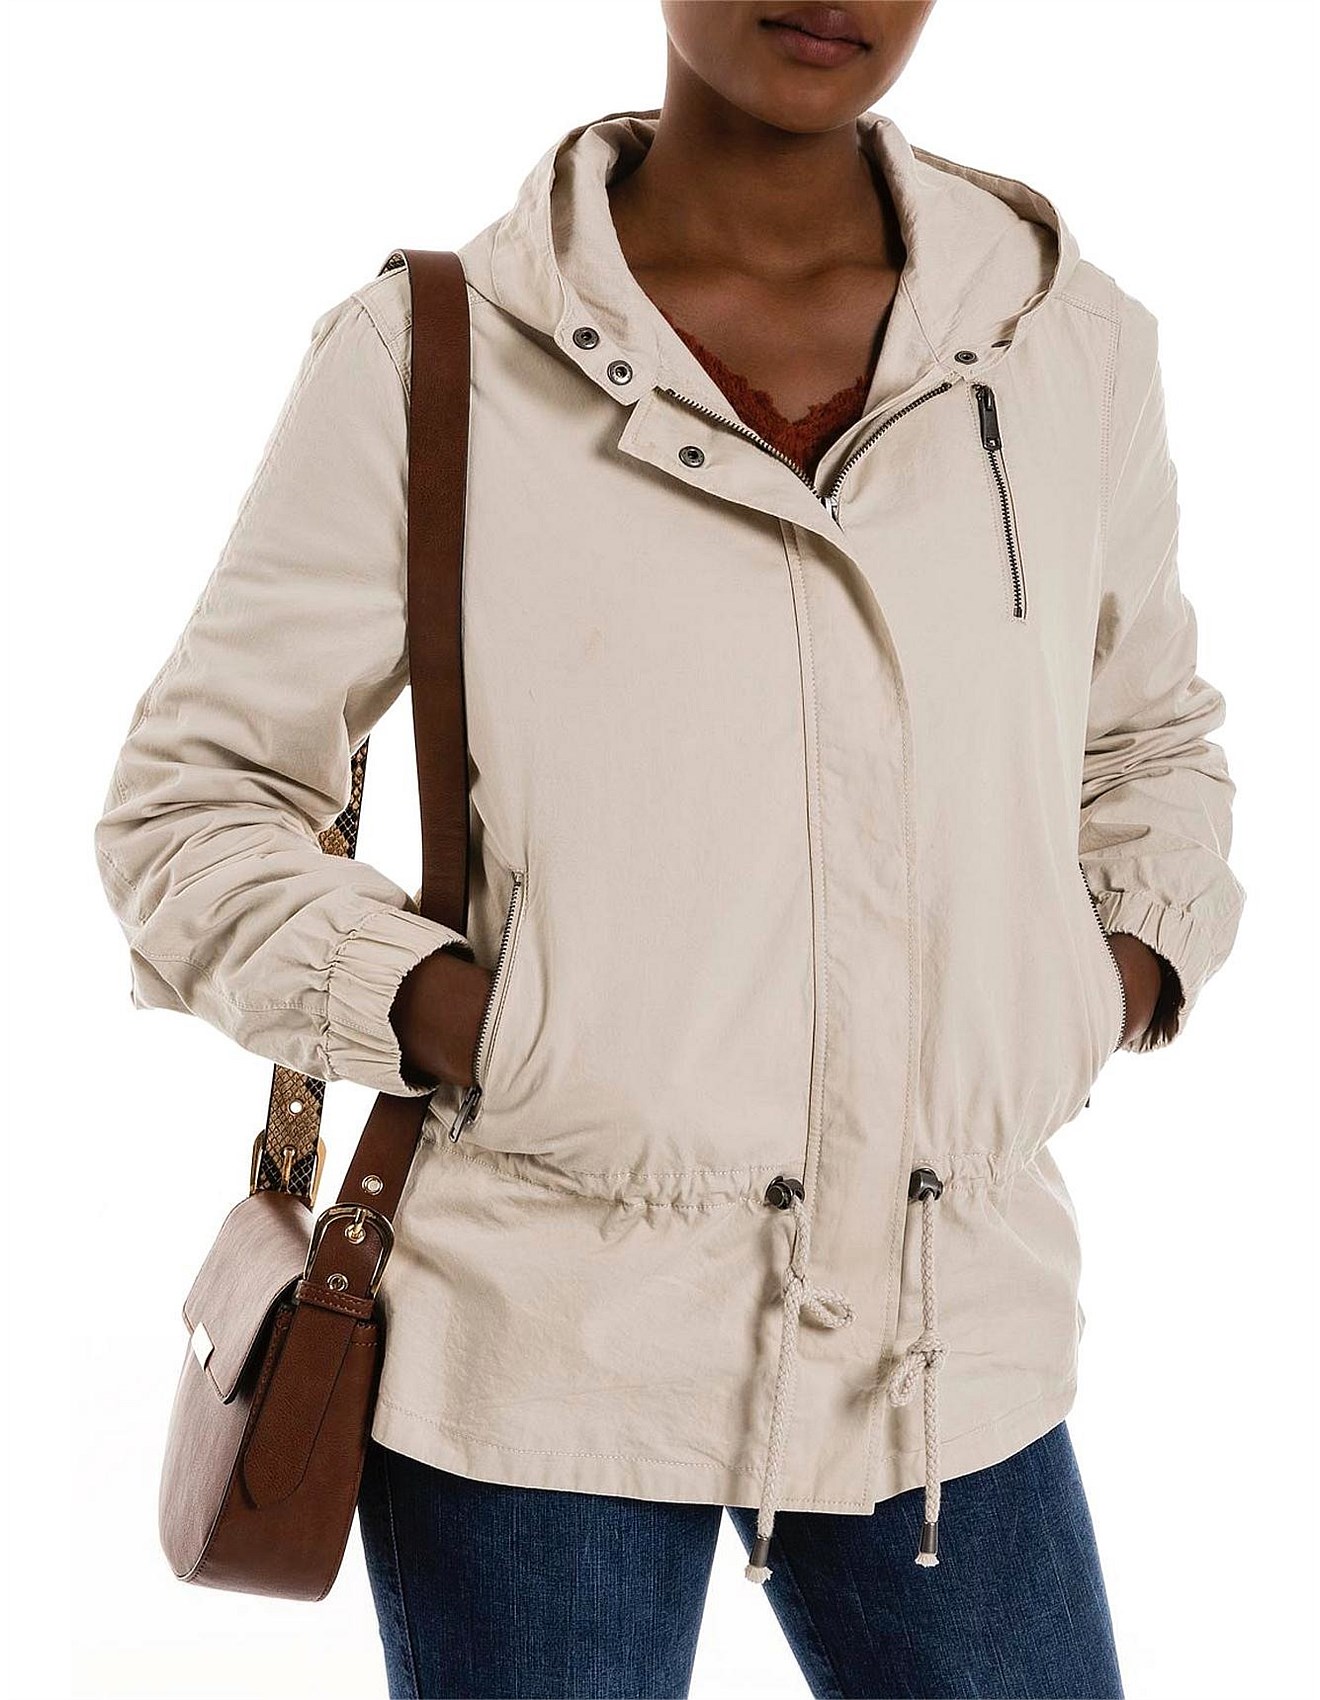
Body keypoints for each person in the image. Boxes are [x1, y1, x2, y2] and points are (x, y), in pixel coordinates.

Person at [93, 2, 1246, 1695]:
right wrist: (482, 1028)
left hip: (945, 1339)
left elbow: (1145, 743)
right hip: (542, 1340)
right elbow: (191, 801)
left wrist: (1096, 987)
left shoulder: (1062, 342)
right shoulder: (436, 350)